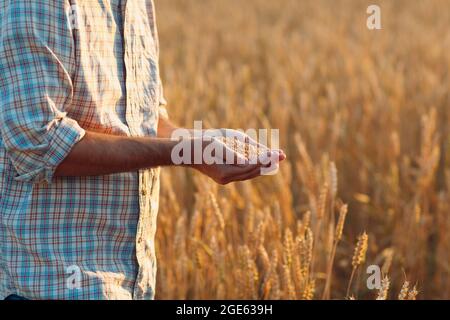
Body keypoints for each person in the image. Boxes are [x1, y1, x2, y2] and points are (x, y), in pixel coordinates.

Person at [0, 0, 285, 300]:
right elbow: (37, 140)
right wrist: (183, 152)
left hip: (132, 285)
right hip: (50, 285)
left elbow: (147, 119)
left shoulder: (137, 5)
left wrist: (203, 144)